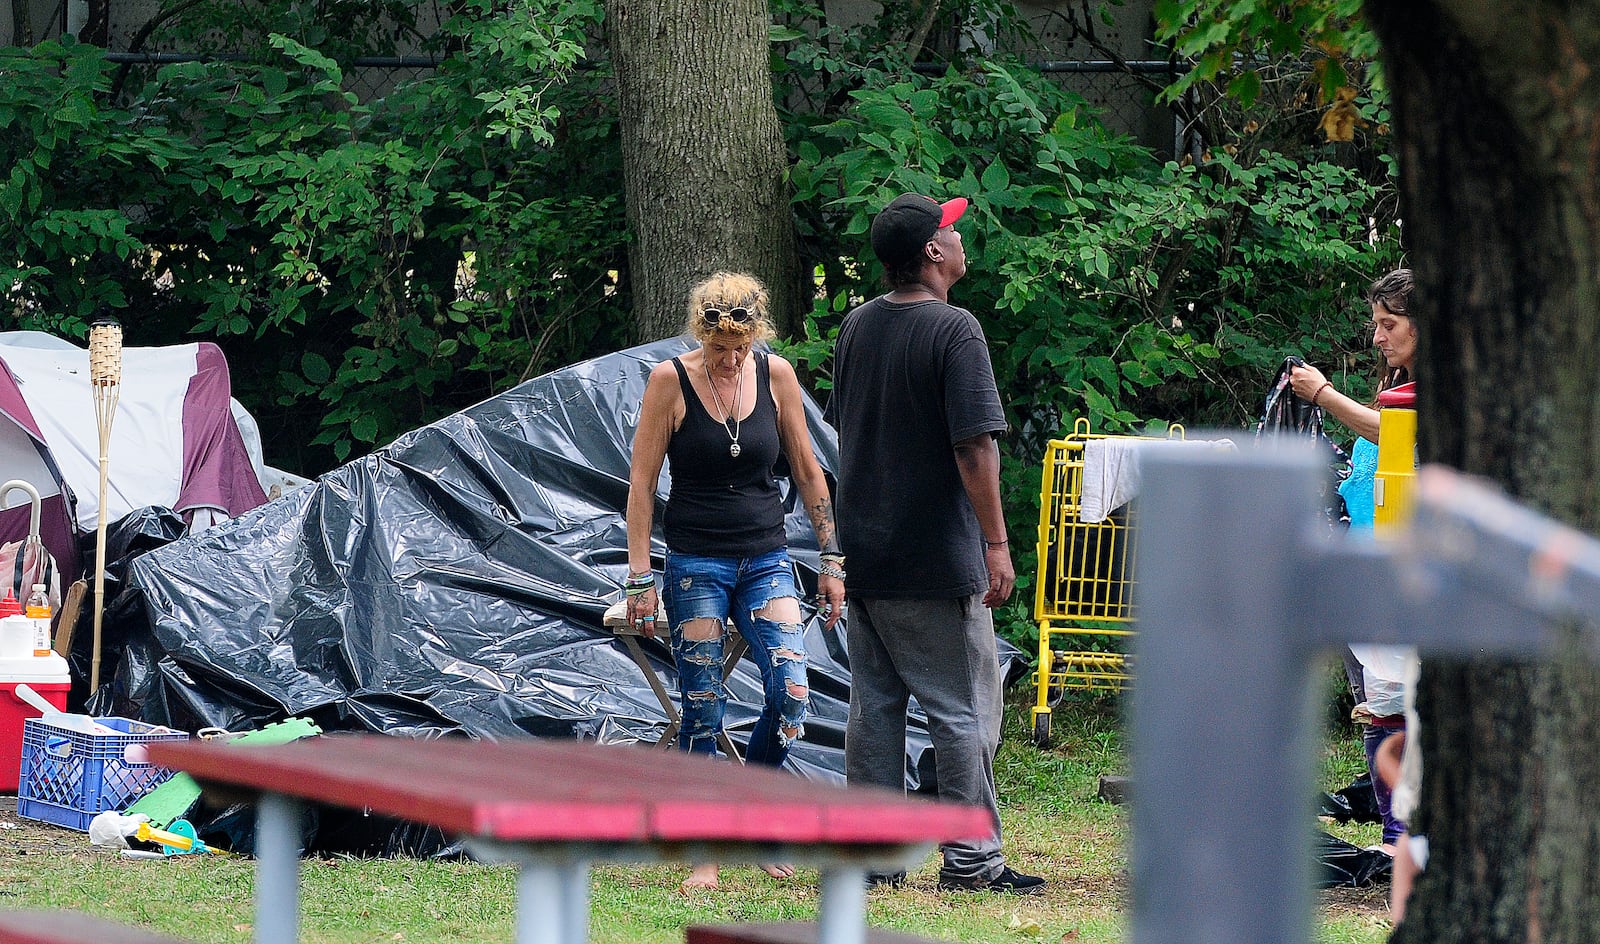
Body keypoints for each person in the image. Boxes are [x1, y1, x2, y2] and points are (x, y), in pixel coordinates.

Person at [826, 193, 1044, 895]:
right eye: (951, 229)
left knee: (876, 708)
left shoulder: (858, 325)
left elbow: (848, 436)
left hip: (865, 551)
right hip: (931, 554)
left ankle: (874, 858)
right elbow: (975, 448)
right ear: (931, 253)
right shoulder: (956, 331)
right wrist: (996, 543)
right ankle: (973, 863)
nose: (959, 237)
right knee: (962, 710)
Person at [625, 271, 846, 892]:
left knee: (792, 691)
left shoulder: (776, 376)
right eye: (719, 348)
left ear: (757, 335)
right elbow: (641, 487)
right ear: (701, 335)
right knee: (700, 701)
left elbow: (807, 469)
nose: (730, 358)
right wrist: (640, 577)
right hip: (696, 560)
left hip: (765, 558)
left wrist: (831, 560)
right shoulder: (669, 380)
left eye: (740, 347)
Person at [1291, 268, 1417, 855]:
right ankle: (1394, 830)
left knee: (1395, 700)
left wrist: (1322, 396)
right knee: (1378, 703)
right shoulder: (1394, 386)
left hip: (1406, 574)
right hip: (1365, 567)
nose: (1377, 338)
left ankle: (1401, 837)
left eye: (1389, 325)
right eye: (1375, 325)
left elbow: (1395, 434)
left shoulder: (1434, 398)